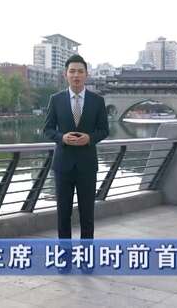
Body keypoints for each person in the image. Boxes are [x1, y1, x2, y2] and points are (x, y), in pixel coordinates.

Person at [43, 54, 109, 241]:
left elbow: (104, 130)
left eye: (80, 71)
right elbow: (47, 129)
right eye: (72, 71)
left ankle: (86, 255)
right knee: (63, 215)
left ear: (86, 74)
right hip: (62, 166)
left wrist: (90, 138)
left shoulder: (97, 100)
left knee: (87, 215)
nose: (76, 75)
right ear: (66, 74)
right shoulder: (56, 99)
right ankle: (65, 255)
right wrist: (62, 137)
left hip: (87, 166)